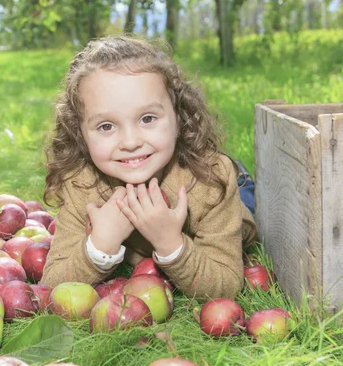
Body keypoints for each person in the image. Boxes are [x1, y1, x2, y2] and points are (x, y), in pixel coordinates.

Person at [39, 36, 257, 299]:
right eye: (106, 126)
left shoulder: (210, 181)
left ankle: (242, 175)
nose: (130, 142)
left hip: (232, 188)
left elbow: (227, 286)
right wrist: (99, 245)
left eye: (148, 118)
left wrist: (171, 244)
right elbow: (52, 285)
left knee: (248, 195)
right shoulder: (80, 185)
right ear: (80, 134)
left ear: (179, 117)